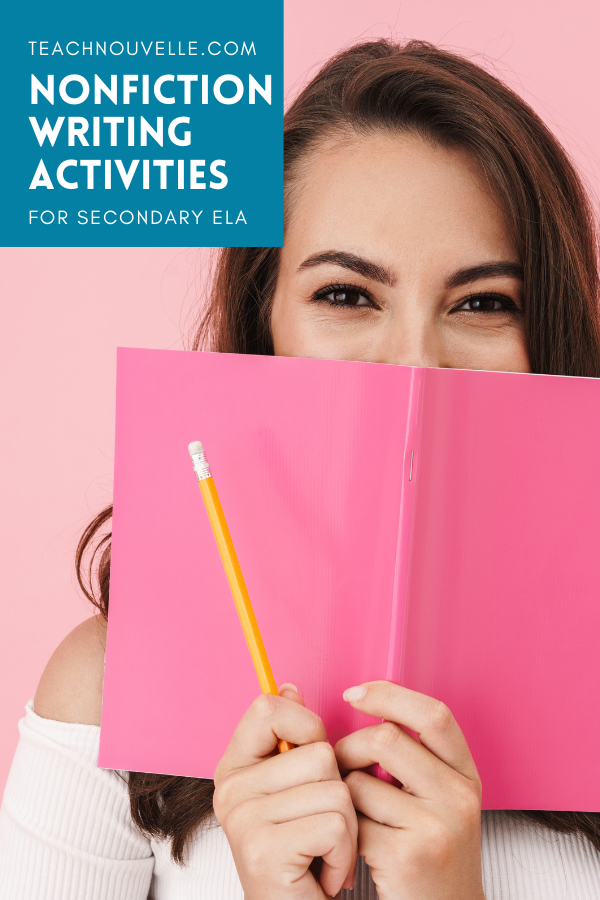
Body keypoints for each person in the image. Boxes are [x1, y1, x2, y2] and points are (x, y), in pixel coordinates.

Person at [2, 39, 600, 900]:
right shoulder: (106, 691)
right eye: (348, 294)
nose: (414, 369)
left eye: (481, 302)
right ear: (265, 317)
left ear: (543, 334)